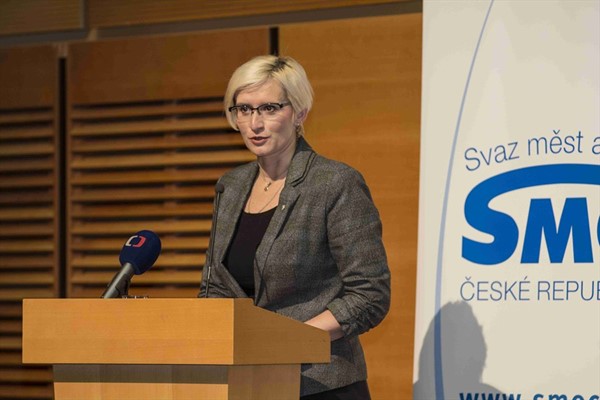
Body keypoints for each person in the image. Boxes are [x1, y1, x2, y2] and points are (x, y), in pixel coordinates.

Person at [199, 55, 390, 399]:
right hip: (247, 383)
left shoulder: (334, 183)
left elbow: (369, 296)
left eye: (269, 108)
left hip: (322, 385)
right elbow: (215, 288)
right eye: (244, 109)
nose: (255, 123)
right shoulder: (230, 186)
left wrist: (285, 341)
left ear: (299, 113)